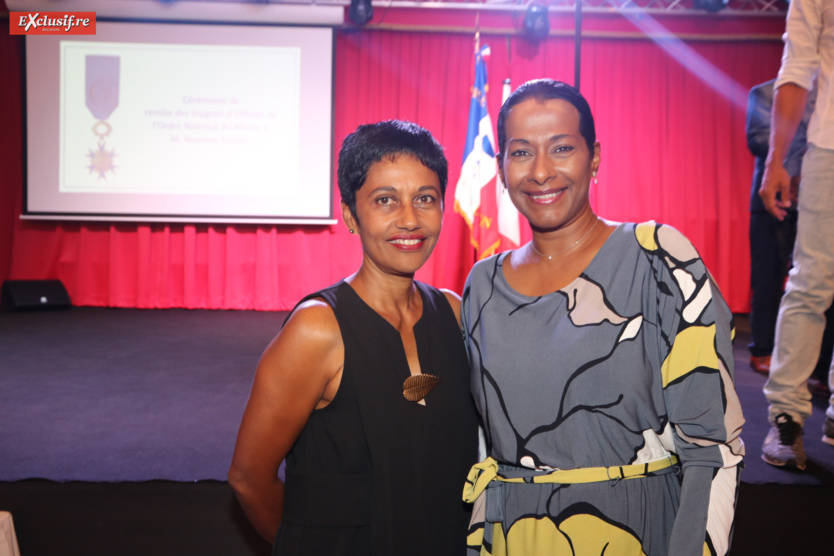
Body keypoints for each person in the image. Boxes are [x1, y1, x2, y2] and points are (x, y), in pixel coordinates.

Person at [460, 79, 745, 556]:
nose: (542, 171)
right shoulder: (482, 285)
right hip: (510, 536)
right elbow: (484, 446)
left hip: (635, 531)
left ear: (594, 157)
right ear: (501, 169)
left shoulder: (658, 258)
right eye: (522, 152)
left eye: (562, 148)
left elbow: (713, 449)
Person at [228, 120, 479, 555]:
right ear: (350, 214)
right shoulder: (318, 328)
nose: (409, 219)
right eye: (386, 200)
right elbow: (249, 478)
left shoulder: (454, 313)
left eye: (425, 199)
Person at [759, 0, 834, 471]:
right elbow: (798, 64)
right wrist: (777, 159)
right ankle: (787, 413)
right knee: (811, 283)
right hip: (830, 146)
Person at [746, 79, 815, 375]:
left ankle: (819, 365)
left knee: (817, 281)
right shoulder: (763, 93)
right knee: (767, 279)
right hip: (771, 201)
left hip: (816, 201)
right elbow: (756, 139)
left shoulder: (825, 97)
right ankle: (762, 350)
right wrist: (799, 142)